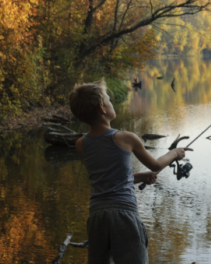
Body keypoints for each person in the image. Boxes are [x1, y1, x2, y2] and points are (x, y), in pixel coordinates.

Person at [68, 78, 192, 264]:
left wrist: (141, 177)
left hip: (97, 217)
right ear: (103, 108)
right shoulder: (125, 138)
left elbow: (107, 179)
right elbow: (156, 165)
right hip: (123, 215)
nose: (111, 103)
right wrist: (174, 153)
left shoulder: (81, 144)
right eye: (109, 100)